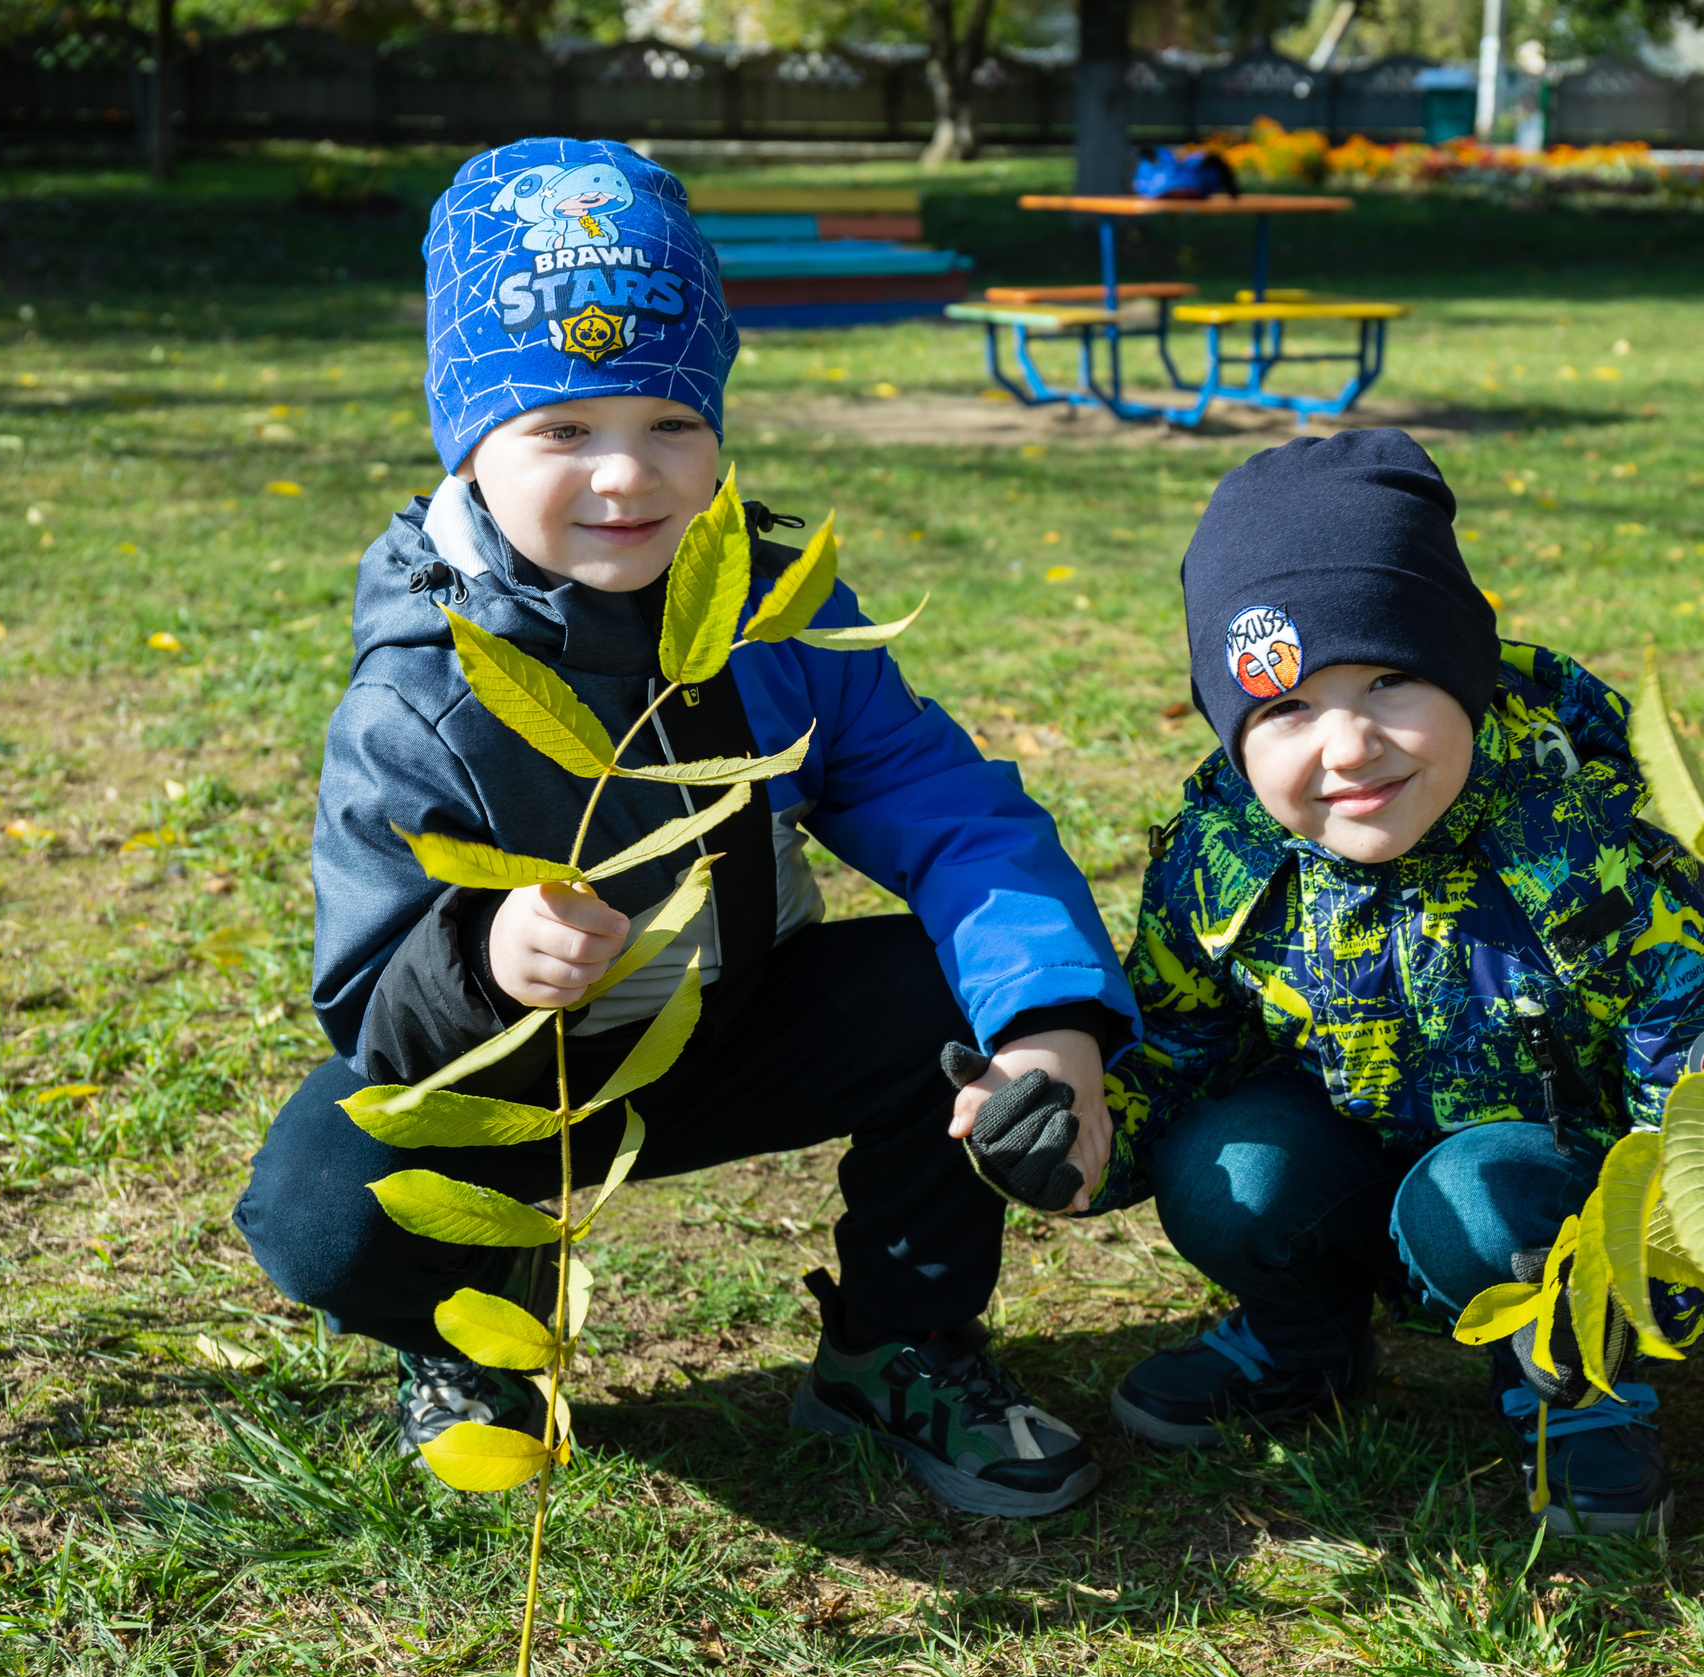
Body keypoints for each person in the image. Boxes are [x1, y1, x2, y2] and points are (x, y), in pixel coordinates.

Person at [232, 139, 1134, 1520]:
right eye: (564, 428)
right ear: (468, 444)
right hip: (504, 1080)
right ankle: (472, 1330)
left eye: (671, 422)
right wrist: (483, 951)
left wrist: (1050, 1029)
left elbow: (953, 814)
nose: (625, 477)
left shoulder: (768, 615)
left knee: (956, 983)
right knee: (319, 1208)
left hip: (734, 1023)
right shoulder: (418, 689)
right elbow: (368, 995)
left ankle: (899, 1341)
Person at [1086, 429, 1704, 1535]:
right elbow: (1177, 1047)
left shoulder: (1579, 852)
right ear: (1234, 735)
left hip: (1536, 1206)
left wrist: (1655, 1276)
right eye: (1287, 709)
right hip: (1346, 1172)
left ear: (1464, 671)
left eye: (1391, 678)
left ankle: (1578, 1381)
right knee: (1226, 1169)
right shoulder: (1219, 857)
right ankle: (1302, 1338)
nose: (1350, 744)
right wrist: (1080, 1138)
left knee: (1479, 1195)